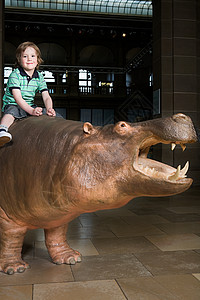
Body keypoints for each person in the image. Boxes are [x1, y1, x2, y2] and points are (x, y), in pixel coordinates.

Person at [0, 41, 56, 147]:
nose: (29, 59)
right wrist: (31, 111)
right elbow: (18, 98)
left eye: (32, 56)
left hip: (29, 105)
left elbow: (46, 96)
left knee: (50, 114)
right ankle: (2, 129)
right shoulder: (15, 75)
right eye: (25, 56)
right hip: (14, 103)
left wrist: (49, 108)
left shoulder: (39, 76)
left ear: (38, 60)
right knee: (12, 112)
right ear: (19, 60)